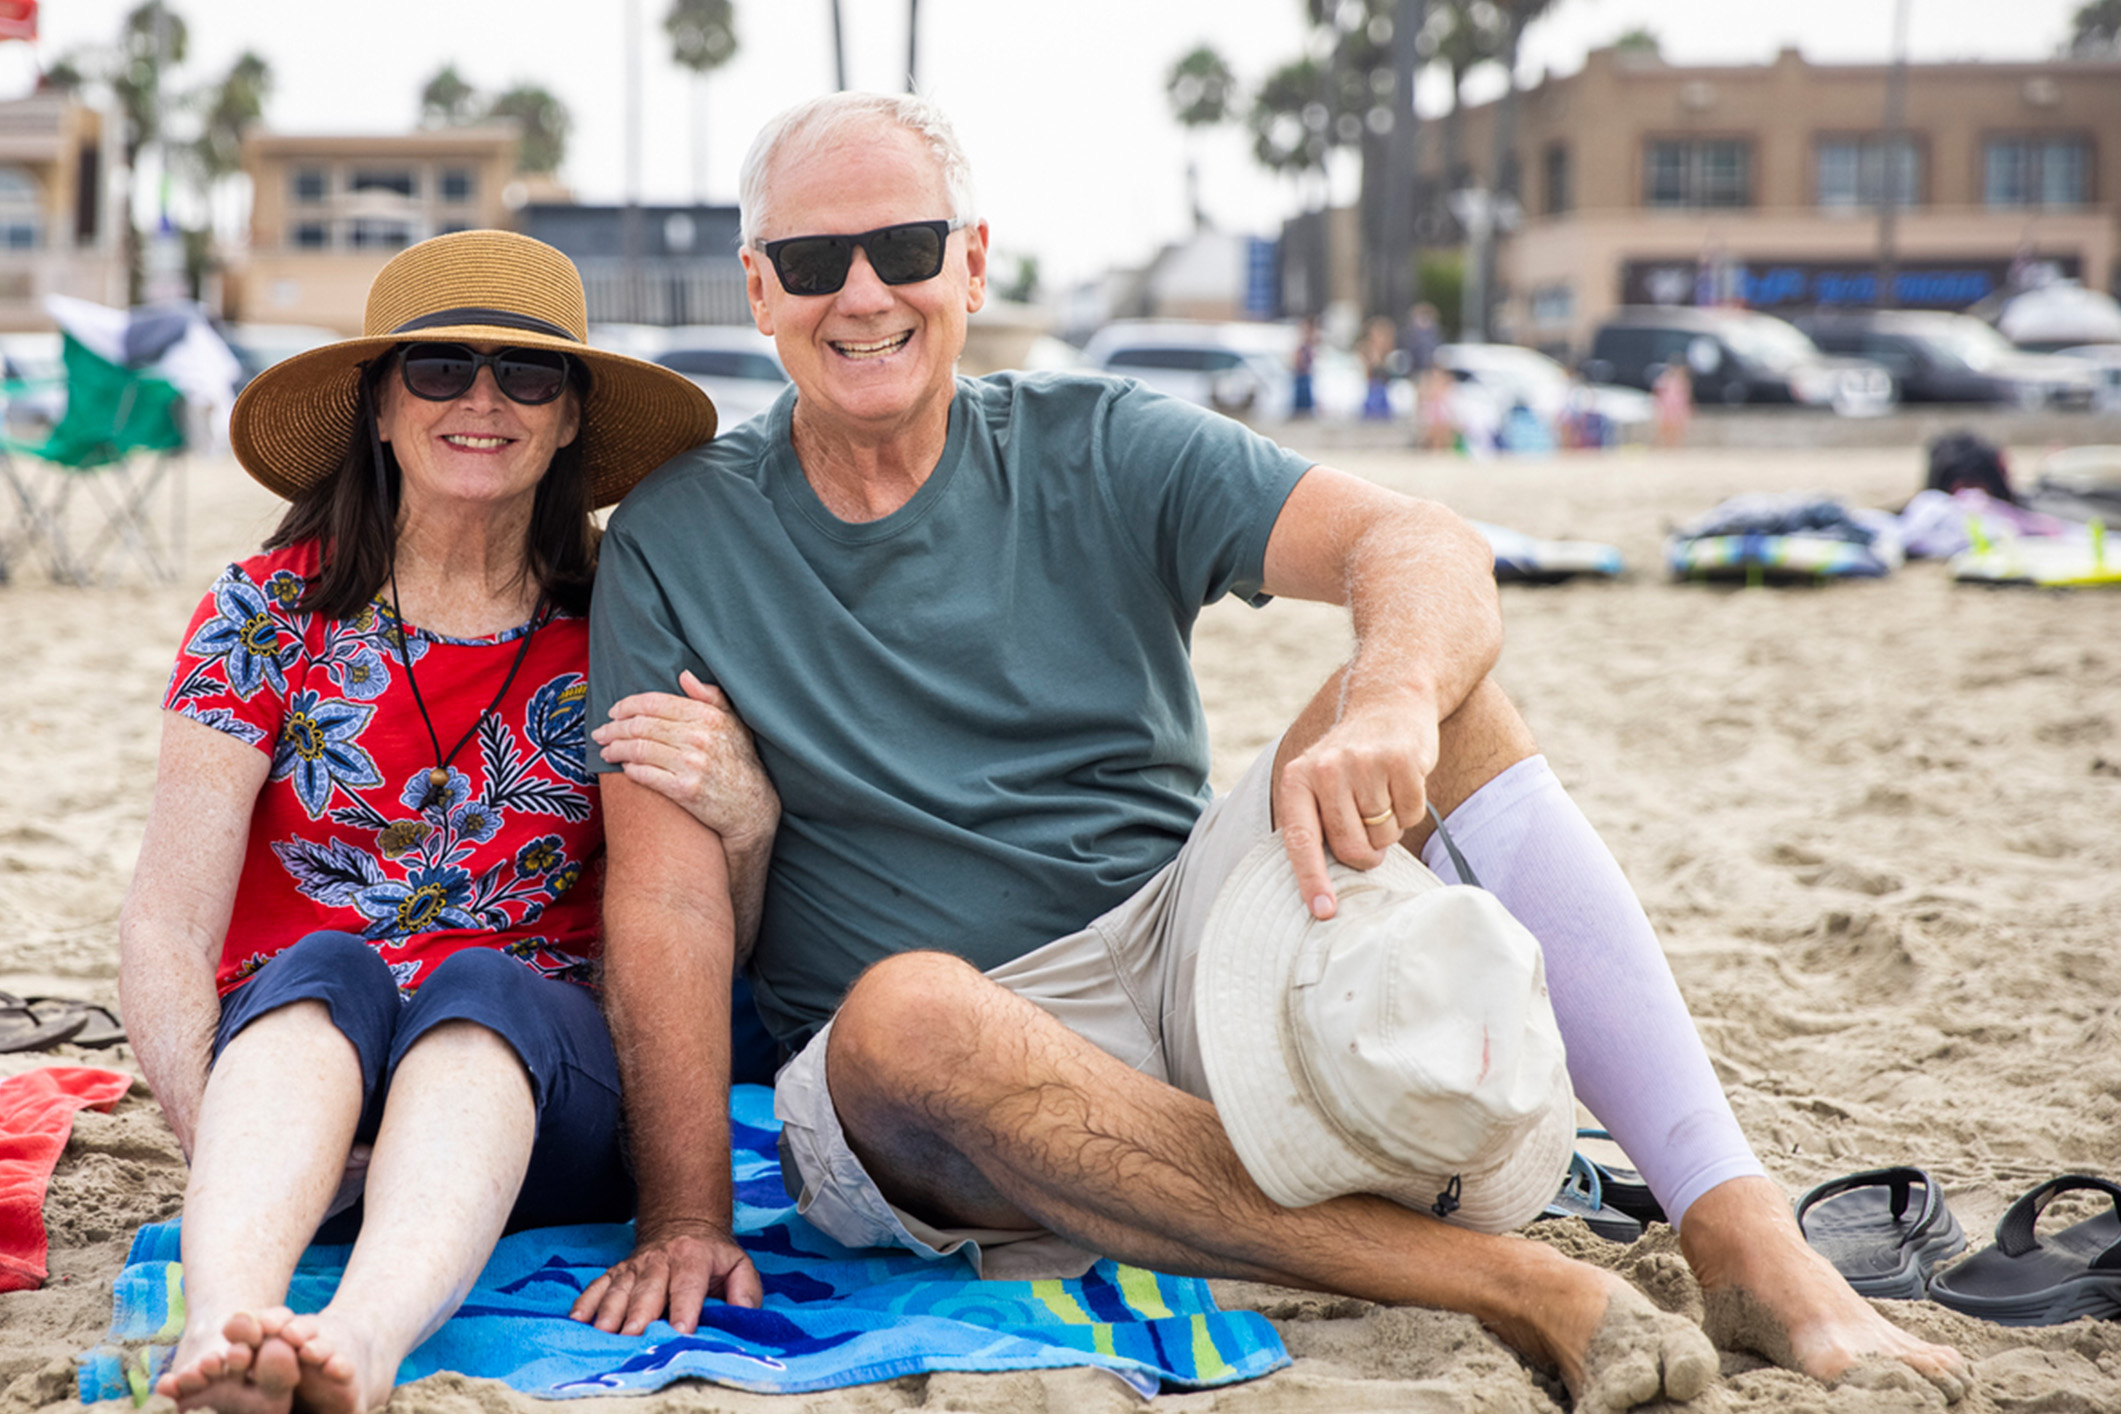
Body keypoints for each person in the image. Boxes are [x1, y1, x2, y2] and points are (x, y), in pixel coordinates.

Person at [577, 93, 1970, 1410]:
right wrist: (688, 1217)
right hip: (926, 1075)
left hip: (1193, 946)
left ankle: (1738, 1226)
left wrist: (1388, 706)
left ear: (974, 264)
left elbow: (1417, 541)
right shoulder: (677, 536)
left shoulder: (1097, 439)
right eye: (817, 258)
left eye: (904, 247)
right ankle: (1507, 1281)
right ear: (759, 290)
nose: (864, 293)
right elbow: (668, 895)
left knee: (1450, 692)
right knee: (908, 1020)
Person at [119, 230, 774, 1414]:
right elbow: (166, 926)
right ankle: (224, 1329)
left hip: (530, 1105)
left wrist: (749, 824)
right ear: (377, 405)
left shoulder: (623, 620)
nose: (483, 400)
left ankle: (358, 1345)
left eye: (526, 375)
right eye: (438, 371)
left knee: (489, 985)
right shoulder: (264, 612)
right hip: (285, 1102)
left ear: (571, 416)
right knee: (319, 964)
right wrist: (210, 1132)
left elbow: (707, 936)